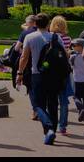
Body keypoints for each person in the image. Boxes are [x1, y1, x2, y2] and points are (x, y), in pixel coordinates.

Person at [19, 13, 69, 144]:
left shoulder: (30, 37)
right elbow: (65, 55)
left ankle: (48, 129)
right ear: (48, 24)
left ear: (35, 24)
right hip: (54, 75)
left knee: (38, 105)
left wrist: (20, 72)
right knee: (53, 103)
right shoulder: (56, 37)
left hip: (37, 74)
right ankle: (51, 129)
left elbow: (24, 57)